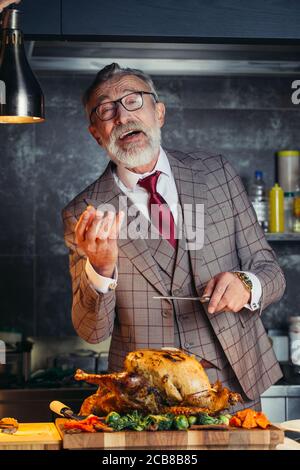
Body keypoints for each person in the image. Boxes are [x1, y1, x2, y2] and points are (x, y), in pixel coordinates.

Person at [62, 63, 286, 411]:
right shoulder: (84, 212)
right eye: (107, 110)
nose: (122, 116)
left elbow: (271, 272)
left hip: (233, 387)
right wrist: (101, 268)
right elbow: (92, 331)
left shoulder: (216, 173)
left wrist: (247, 283)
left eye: (133, 101)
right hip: (147, 401)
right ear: (96, 133)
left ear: (159, 112)